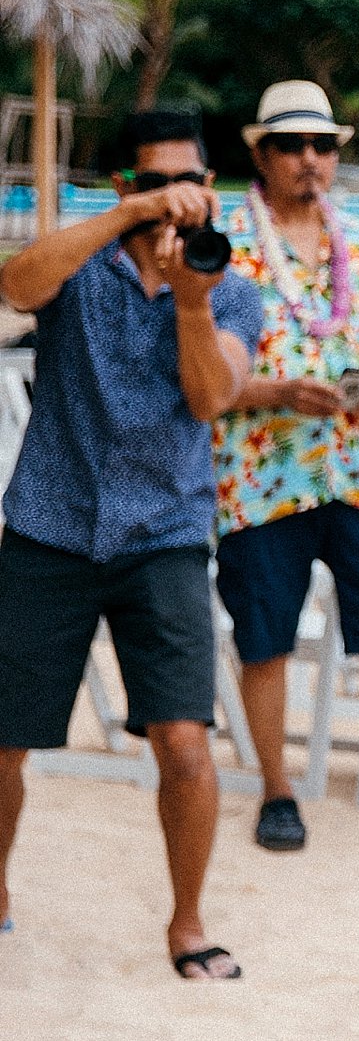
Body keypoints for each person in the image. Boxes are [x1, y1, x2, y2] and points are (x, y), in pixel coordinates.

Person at [0, 108, 260, 978]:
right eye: (152, 184)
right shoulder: (83, 265)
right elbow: (14, 283)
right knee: (5, 736)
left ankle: (187, 924)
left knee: (186, 743)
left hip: (165, 535)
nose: (170, 201)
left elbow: (211, 398)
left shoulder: (231, 285)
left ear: (211, 188)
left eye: (184, 183)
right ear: (126, 187)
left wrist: (191, 301)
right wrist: (123, 222)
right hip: (50, 524)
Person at [213, 82, 359, 852]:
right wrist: (275, 390)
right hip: (259, 476)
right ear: (261, 153)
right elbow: (194, 375)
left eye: (323, 145)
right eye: (292, 145)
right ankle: (278, 792)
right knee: (265, 633)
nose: (310, 159)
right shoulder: (226, 246)